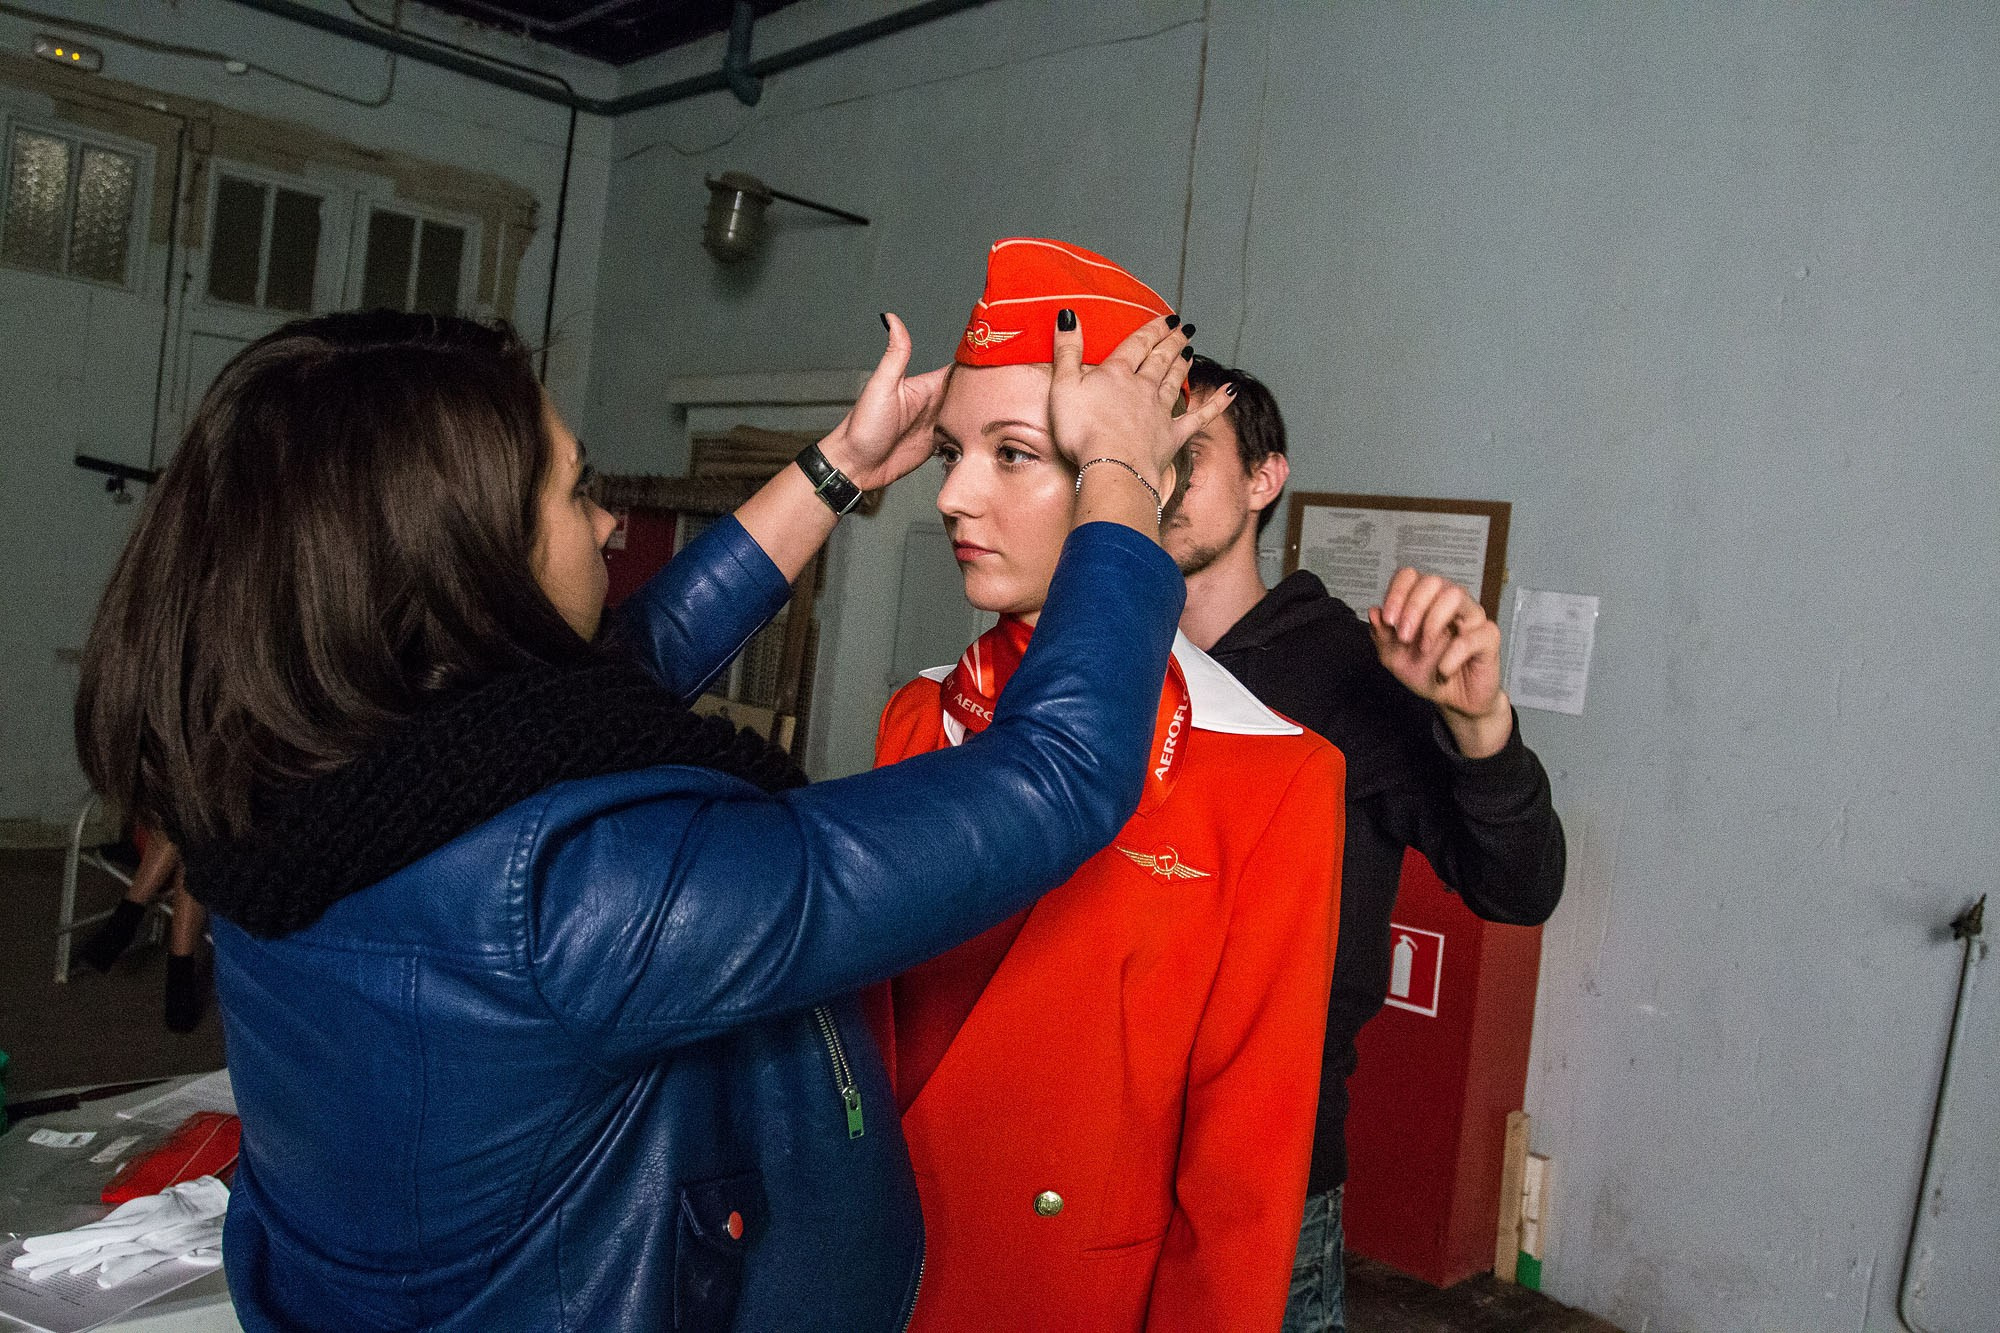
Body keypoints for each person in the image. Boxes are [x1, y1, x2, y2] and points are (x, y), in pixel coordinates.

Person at [73, 306, 1225, 1333]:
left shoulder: (303, 767)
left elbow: (611, 679)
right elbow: (1057, 776)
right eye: (576, 490)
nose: (614, 522)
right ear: (468, 568)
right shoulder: (581, 892)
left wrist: (840, 468)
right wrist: (1118, 477)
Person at [867, 238, 1347, 1332]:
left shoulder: (1269, 773)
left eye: (1013, 454)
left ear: (1145, 482)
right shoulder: (922, 710)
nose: (949, 495)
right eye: (950, 450)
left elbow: (1239, 1195)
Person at [1168, 355, 1569, 1333]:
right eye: (1138, 451)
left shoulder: (1340, 670)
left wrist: (1478, 724)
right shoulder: (1096, 656)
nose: (1158, 477)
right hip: (1099, 1139)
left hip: (1273, 1163)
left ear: (1263, 480)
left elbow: (1517, 885)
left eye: (1189, 451)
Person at [75, 825, 211, 1032]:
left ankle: (121, 926)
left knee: (196, 839)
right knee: (187, 823)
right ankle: (179, 977)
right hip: (164, 840)